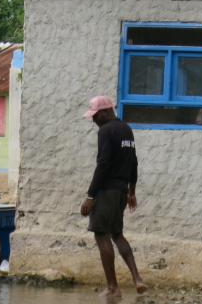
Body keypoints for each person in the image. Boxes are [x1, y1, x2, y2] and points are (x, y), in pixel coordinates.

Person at [79, 95, 146, 298]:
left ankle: (112, 287)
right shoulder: (126, 129)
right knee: (117, 234)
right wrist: (131, 192)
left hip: (107, 191)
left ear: (106, 111)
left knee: (101, 234)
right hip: (121, 191)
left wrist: (90, 196)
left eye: (95, 115)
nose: (93, 120)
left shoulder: (106, 130)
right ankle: (137, 279)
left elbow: (103, 165)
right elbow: (134, 163)